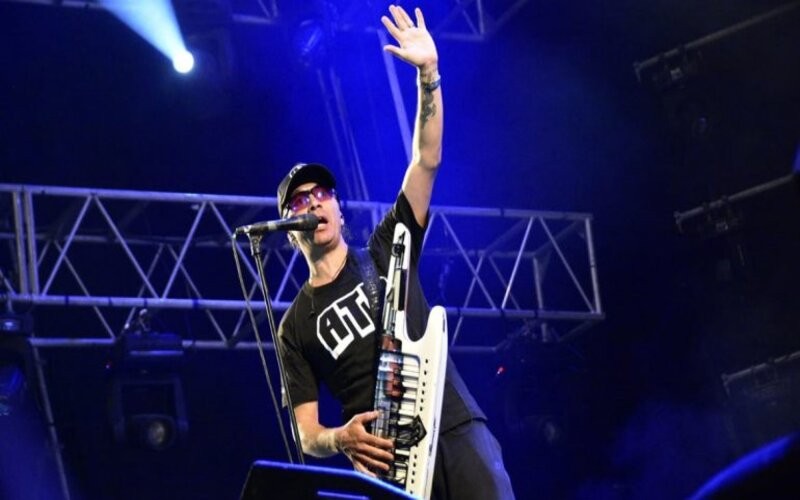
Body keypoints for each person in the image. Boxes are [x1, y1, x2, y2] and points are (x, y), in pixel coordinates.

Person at [276, 5, 515, 499]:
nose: (314, 203)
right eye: (299, 201)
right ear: (290, 230)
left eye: (322, 194)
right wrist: (339, 438)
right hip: (389, 468)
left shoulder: (387, 248)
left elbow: (426, 160)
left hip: (451, 426)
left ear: (339, 209)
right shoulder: (295, 326)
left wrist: (429, 75)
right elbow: (305, 433)